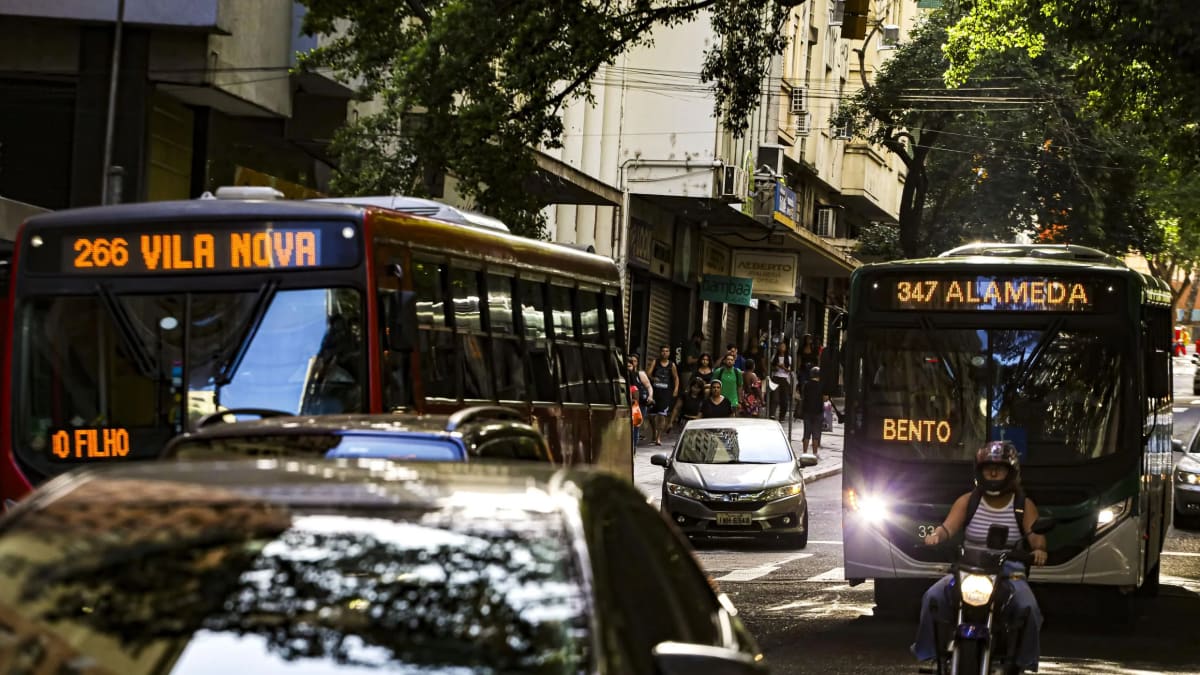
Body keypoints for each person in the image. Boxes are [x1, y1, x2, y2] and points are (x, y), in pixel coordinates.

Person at [912, 441, 1047, 674]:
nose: (993, 473)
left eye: (1000, 468)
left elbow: (1035, 536)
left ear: (1011, 472)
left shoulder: (1023, 505)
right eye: (988, 468)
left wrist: (1039, 549)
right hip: (968, 567)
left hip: (1009, 571)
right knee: (932, 598)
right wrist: (936, 536)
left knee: (1028, 608)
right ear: (979, 471)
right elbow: (947, 528)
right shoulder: (968, 501)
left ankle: (1023, 662)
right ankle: (931, 654)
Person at [647, 345, 679, 446]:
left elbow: (676, 378)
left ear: (669, 353)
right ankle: (654, 433)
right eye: (663, 351)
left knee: (662, 415)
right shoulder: (655, 362)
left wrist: (676, 389)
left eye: (666, 351)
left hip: (665, 393)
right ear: (660, 352)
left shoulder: (671, 365)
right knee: (651, 415)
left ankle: (658, 437)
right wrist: (653, 378)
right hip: (655, 391)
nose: (664, 353)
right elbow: (648, 373)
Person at [627, 355, 652, 446]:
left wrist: (650, 396)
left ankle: (633, 448)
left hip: (638, 405)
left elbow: (648, 387)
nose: (628, 368)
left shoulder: (639, 374)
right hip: (628, 405)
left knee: (635, 428)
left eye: (630, 365)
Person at [800, 366, 824, 457]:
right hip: (818, 412)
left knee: (806, 433)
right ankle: (815, 453)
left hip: (807, 411)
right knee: (816, 433)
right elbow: (825, 399)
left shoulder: (806, 384)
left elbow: (803, 396)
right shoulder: (822, 385)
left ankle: (804, 452)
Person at [769, 342, 793, 422]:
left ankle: (782, 416)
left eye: (784, 346)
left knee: (785, 400)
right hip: (776, 378)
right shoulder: (774, 357)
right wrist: (776, 367)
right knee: (775, 398)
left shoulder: (789, 358)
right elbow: (771, 368)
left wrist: (783, 367)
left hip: (785, 379)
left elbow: (789, 371)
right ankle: (772, 414)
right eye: (781, 346)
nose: (782, 347)